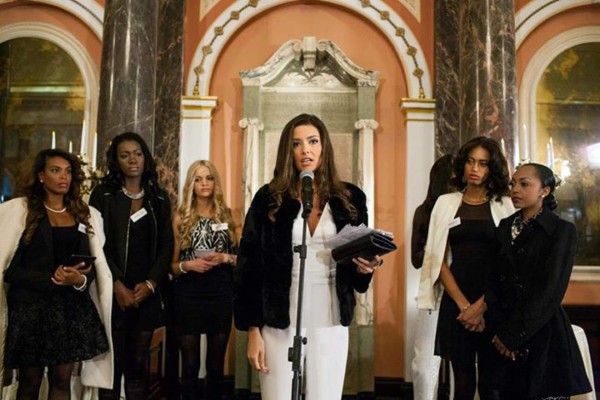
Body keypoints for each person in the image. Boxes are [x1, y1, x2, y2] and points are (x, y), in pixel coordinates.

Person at [234, 113, 380, 399]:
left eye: (312, 141)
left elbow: (356, 273)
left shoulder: (351, 198)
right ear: (287, 150)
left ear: (324, 146)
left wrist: (366, 268)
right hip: (278, 315)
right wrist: (253, 331)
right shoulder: (268, 197)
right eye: (297, 144)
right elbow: (248, 267)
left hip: (330, 313)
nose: (306, 150)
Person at [0, 149, 113, 400]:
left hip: (69, 309)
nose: (64, 176)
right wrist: (53, 277)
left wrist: (79, 280)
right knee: (29, 381)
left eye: (68, 171)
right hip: (31, 309)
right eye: (55, 170)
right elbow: (11, 271)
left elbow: (92, 265)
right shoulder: (23, 212)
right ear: (41, 176)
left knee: (62, 381)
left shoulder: (83, 214)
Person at [417, 136, 515, 400]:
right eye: (471, 161)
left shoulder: (505, 205)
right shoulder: (446, 203)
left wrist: (481, 307)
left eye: (483, 163)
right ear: (462, 164)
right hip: (456, 300)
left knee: (491, 385)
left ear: (491, 169)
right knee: (461, 385)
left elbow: (509, 262)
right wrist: (464, 306)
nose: (475, 168)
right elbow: (436, 257)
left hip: (493, 301)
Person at [485, 163, 592, 399]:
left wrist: (513, 336)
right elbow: (493, 281)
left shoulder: (561, 230)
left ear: (544, 191)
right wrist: (499, 332)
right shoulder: (504, 227)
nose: (515, 189)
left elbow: (551, 289)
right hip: (501, 329)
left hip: (542, 331)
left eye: (525, 184)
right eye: (513, 184)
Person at [89, 132, 174, 400]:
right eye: (124, 155)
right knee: (112, 368)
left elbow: (166, 246)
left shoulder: (158, 197)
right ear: (116, 160)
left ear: (145, 157)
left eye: (137, 153)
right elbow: (95, 244)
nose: (132, 159)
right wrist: (116, 285)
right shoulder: (103, 195)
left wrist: (150, 284)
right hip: (112, 292)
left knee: (138, 368)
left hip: (146, 294)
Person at [171, 160, 237, 400]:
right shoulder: (181, 217)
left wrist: (223, 257)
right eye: (198, 179)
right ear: (191, 184)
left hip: (219, 292)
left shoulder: (226, 215)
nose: (204, 183)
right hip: (188, 294)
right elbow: (172, 266)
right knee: (189, 365)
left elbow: (239, 259)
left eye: (208, 178)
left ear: (215, 181)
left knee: (215, 366)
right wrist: (189, 265)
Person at [411, 154, 455, 400]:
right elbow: (416, 259)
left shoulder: (471, 210)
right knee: (425, 364)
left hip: (466, 290)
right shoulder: (424, 212)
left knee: (466, 363)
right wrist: (437, 243)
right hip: (434, 293)